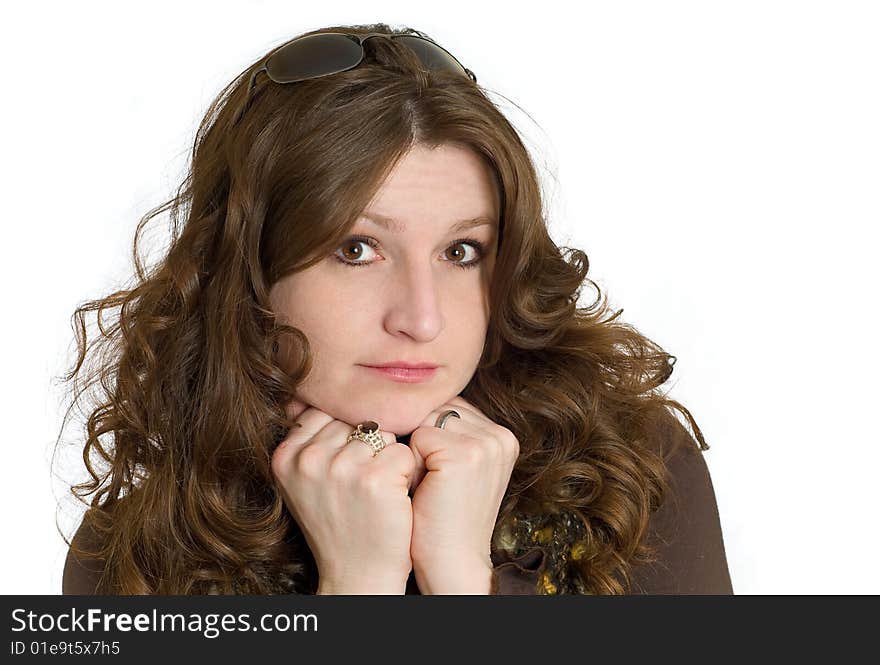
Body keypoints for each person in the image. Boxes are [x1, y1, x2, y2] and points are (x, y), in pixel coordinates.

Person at [58, 22, 732, 595]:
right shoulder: (136, 551)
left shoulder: (632, 479)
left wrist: (461, 579)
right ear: (251, 271)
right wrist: (358, 585)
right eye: (357, 248)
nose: (422, 318)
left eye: (462, 251)